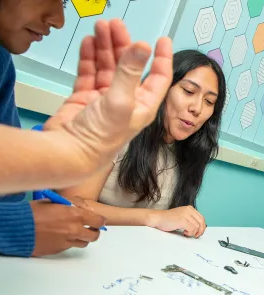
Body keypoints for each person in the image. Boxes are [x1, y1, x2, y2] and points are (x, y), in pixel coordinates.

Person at [0, 0, 173, 256]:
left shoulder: (1, 60)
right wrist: (14, 225)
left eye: (64, 3)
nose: (59, 20)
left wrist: (65, 153)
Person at [58, 50, 226, 238]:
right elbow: (71, 204)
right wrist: (155, 218)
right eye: (188, 91)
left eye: (209, 101)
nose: (197, 108)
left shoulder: (190, 151)